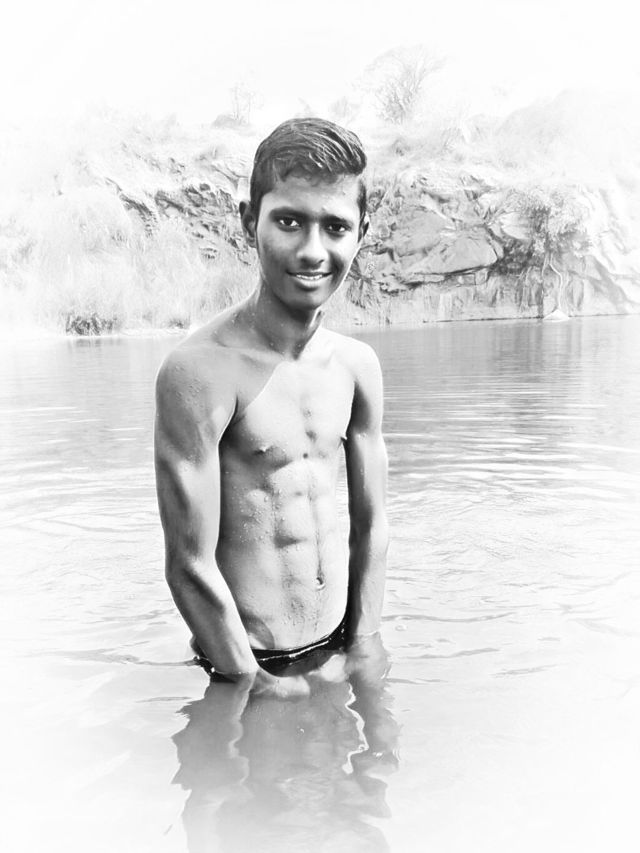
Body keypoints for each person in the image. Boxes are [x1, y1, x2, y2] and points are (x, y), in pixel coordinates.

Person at [154, 117, 389, 698]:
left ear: (362, 233)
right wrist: (253, 682)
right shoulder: (200, 372)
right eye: (289, 221)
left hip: (338, 646)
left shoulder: (357, 367)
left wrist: (363, 645)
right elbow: (188, 562)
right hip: (240, 659)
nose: (312, 251)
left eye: (335, 227)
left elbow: (372, 526)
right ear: (248, 221)